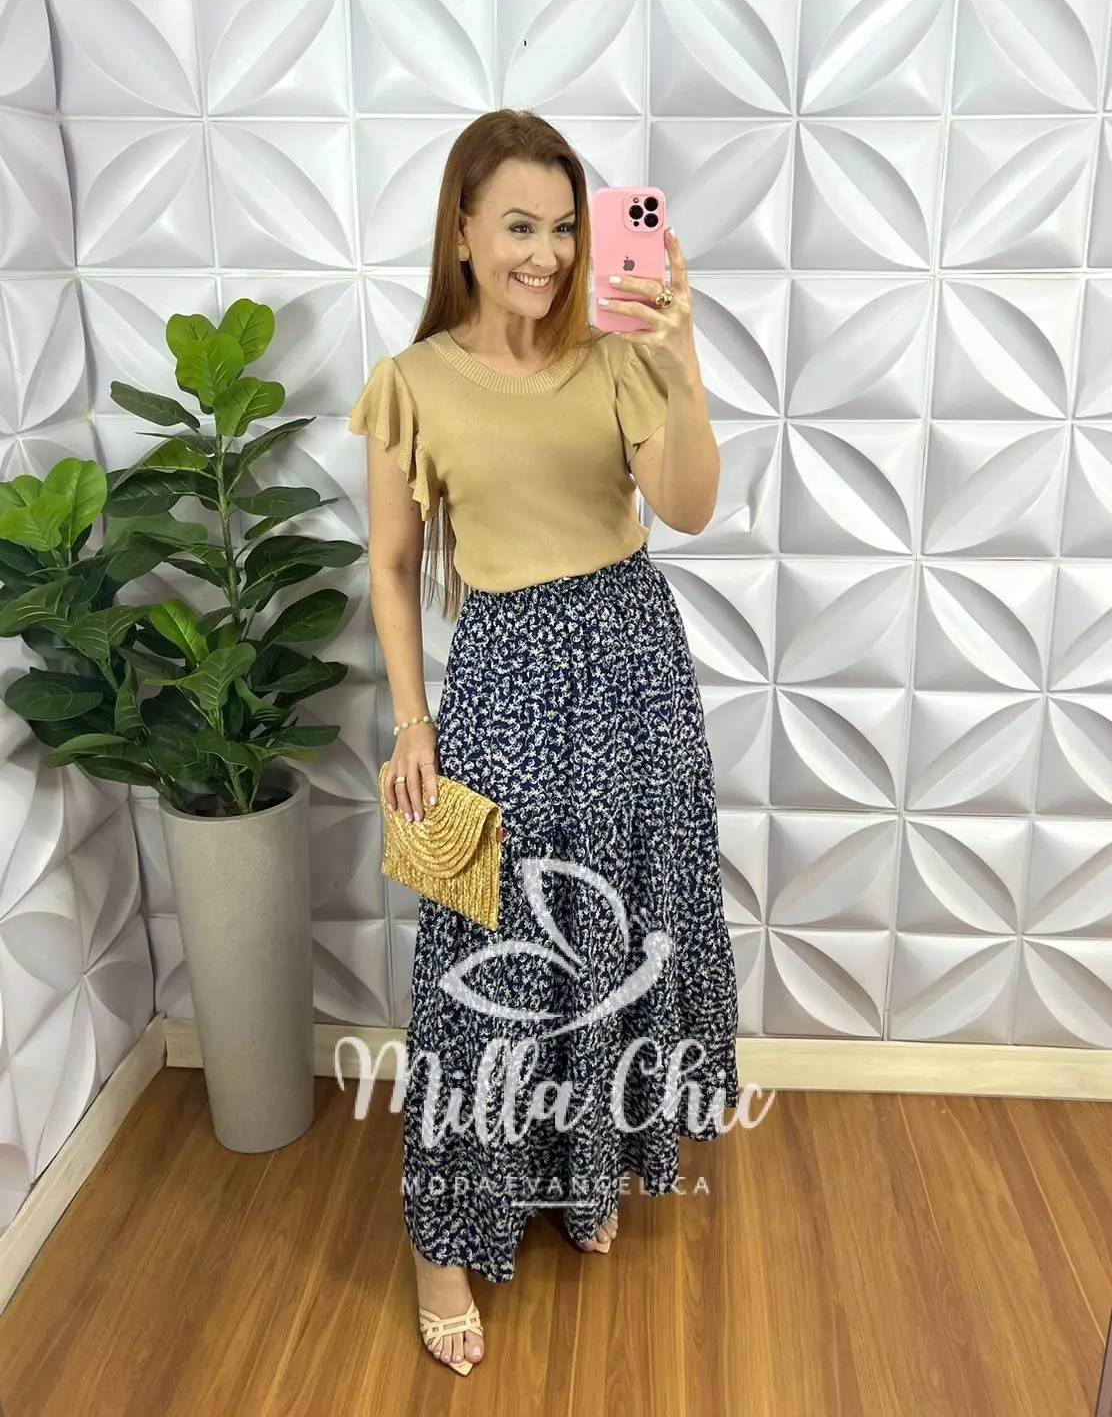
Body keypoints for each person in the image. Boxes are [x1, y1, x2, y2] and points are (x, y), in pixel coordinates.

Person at [348, 109, 740, 1376]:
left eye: (566, 226)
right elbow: (394, 567)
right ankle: (440, 1242)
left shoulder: (618, 353)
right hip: (501, 684)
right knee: (481, 964)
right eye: (518, 225)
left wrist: (680, 358)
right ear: (461, 233)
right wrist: (413, 723)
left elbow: (685, 506)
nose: (548, 253)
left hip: (635, 668)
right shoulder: (410, 383)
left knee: (617, 932)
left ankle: (581, 1168)